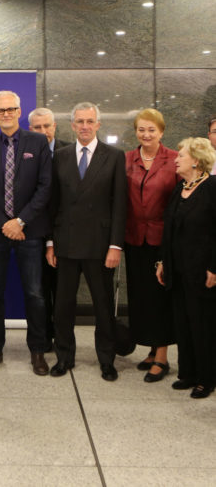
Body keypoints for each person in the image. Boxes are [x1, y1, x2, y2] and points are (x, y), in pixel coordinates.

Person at [0, 91, 52, 376]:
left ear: (20, 111)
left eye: (11, 109)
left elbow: (45, 186)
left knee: (35, 294)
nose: (6, 113)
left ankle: (38, 351)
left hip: (29, 232)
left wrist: (20, 221)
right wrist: (5, 223)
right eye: (1, 110)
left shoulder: (38, 142)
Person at [47, 102, 127, 382]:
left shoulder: (114, 156)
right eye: (79, 121)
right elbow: (52, 203)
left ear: (98, 125)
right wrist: (50, 243)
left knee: (103, 307)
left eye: (89, 121)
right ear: (72, 125)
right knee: (63, 306)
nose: (84, 126)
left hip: (100, 246)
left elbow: (119, 204)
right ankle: (64, 357)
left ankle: (107, 359)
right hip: (66, 243)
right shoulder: (61, 156)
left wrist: (116, 245)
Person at [156, 137, 216, 399]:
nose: (176, 159)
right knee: (182, 322)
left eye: (181, 156)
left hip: (202, 270)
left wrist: (215, 267)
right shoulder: (179, 188)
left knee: (203, 324)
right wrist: (161, 262)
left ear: (196, 160)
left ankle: (207, 378)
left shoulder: (212, 187)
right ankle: (187, 373)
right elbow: (167, 230)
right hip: (177, 269)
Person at [125, 109, 178, 382]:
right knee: (141, 297)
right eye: (141, 130)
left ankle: (162, 356)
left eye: (152, 130)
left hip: (162, 239)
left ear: (162, 132)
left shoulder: (175, 160)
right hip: (134, 239)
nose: (146, 135)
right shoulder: (127, 159)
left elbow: (181, 201)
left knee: (160, 298)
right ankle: (149, 348)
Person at [28, 107, 70, 352]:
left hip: (66, 233)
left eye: (47, 126)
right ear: (30, 129)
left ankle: (63, 338)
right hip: (36, 233)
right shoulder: (26, 152)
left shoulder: (70, 151)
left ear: (55, 126)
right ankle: (43, 338)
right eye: (37, 127)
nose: (43, 132)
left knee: (63, 291)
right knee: (40, 289)